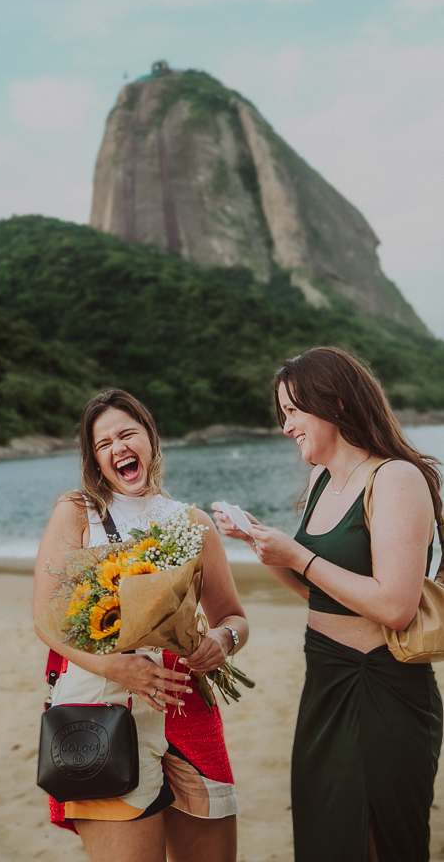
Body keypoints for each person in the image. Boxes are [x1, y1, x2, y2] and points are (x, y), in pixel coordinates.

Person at [214, 347, 443, 862]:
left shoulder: (396, 479)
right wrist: (257, 542)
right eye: (282, 414)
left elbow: (397, 607)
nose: (286, 425)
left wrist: (298, 554)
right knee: (325, 839)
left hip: (380, 688)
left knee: (378, 843)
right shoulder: (321, 481)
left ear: (335, 402)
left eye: (293, 411)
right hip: (324, 683)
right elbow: (317, 592)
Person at [33, 389, 248, 862]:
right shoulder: (78, 511)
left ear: (150, 439)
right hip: (103, 708)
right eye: (103, 443)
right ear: (95, 459)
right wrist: (116, 669)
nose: (117, 447)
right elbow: (46, 621)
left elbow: (233, 616)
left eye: (127, 434)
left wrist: (221, 639)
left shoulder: (193, 523)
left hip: (188, 706)